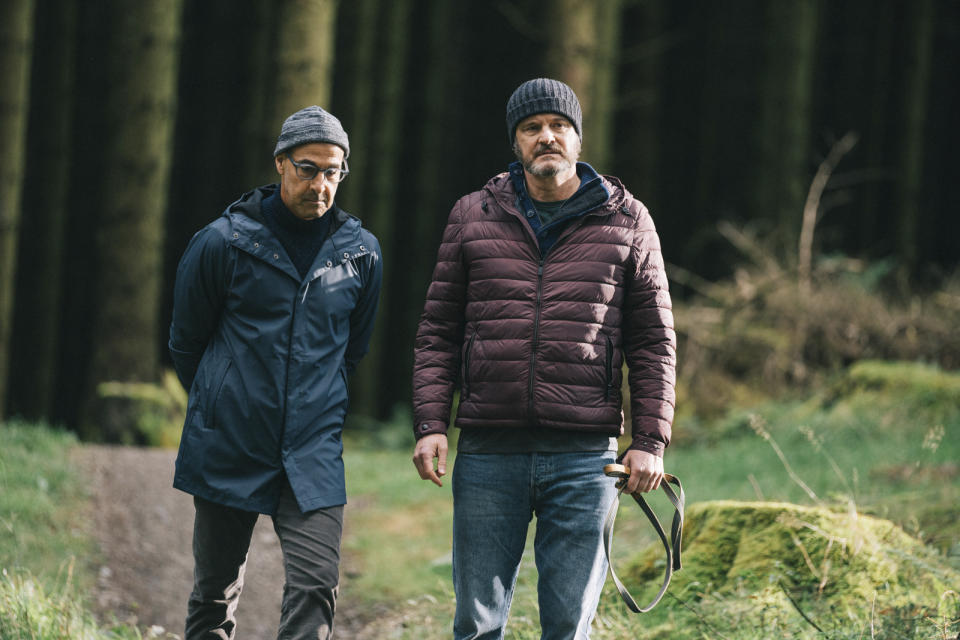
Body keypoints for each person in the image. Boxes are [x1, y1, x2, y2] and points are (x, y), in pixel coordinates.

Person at [411, 78, 677, 639]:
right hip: (487, 451)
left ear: (578, 139)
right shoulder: (471, 215)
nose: (546, 137)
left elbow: (653, 342)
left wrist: (650, 442)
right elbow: (438, 329)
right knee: (475, 624)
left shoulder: (629, 221)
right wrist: (431, 423)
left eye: (559, 127)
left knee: (567, 626)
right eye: (532, 128)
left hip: (585, 457)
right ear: (517, 143)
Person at [169, 105, 382, 639]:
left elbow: (351, 349)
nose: (321, 183)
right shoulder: (221, 241)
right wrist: (225, 396)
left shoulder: (360, 253)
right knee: (215, 592)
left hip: (312, 448)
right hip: (230, 440)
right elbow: (186, 342)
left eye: (334, 172)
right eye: (309, 168)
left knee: (316, 584)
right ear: (281, 164)